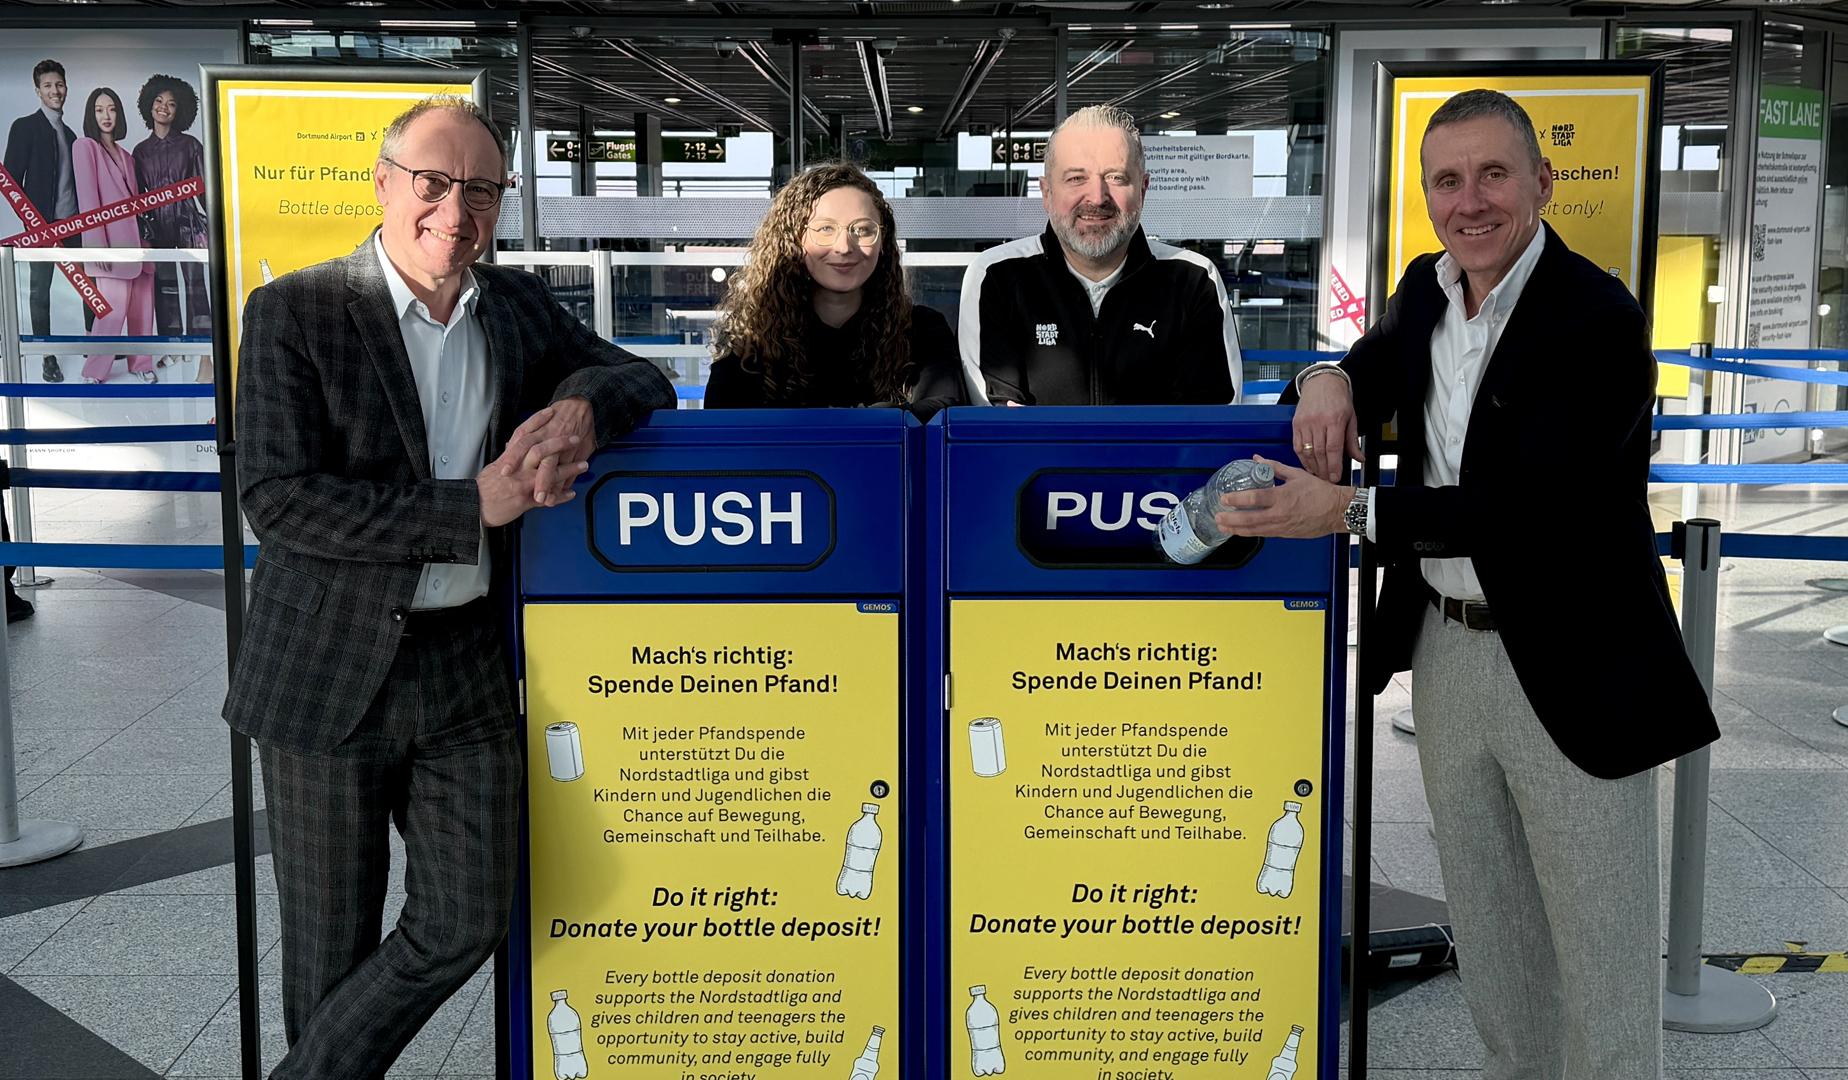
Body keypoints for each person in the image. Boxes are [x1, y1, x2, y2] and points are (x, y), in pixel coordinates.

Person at [1215, 89, 1718, 1080]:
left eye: (1494, 174)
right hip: (1448, 651)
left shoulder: (1598, 319)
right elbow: (1373, 359)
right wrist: (1328, 378)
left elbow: (1526, 508)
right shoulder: (1427, 290)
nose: (1470, 200)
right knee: (1494, 947)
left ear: (1543, 181)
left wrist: (1348, 515)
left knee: (1604, 961)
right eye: (1447, 180)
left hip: (1577, 664)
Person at [223, 96, 673, 1079]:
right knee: (329, 958)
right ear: (383, 183)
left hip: (464, 670)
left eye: (482, 190)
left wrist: (579, 411)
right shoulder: (297, 310)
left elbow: (640, 375)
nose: (455, 211)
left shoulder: (512, 307)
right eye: (433, 183)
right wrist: (475, 507)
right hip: (326, 675)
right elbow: (279, 501)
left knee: (471, 915)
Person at [957, 104, 1240, 406]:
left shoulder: (1194, 281)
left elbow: (1210, 423)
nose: (1097, 197)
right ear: (1047, 192)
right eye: (1076, 178)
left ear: (1143, 190)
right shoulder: (997, 277)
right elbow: (998, 431)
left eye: (1116, 177)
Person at [705, 161, 961, 420]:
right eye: (825, 229)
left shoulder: (921, 329)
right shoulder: (751, 341)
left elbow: (944, 408)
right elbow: (721, 431)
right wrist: (879, 420)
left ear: (883, 242)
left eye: (862, 230)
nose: (844, 247)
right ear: (794, 240)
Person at [3, 59, 82, 384]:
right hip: (41, 226)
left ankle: (98, 348)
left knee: (88, 283)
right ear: (38, 91)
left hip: (75, 223)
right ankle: (46, 356)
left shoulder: (73, 133)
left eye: (59, 84)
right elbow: (10, 181)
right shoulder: (25, 126)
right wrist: (31, 222)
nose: (55, 91)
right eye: (48, 86)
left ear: (66, 87)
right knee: (40, 291)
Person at [131, 73, 211, 382]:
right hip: (158, 226)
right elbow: (138, 195)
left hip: (189, 223)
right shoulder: (140, 151)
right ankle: (173, 345)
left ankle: (203, 348)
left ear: (181, 110)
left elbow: (206, 189)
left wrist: (212, 222)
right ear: (149, 106)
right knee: (163, 287)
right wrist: (144, 230)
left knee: (195, 286)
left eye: (172, 103)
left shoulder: (191, 145)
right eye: (159, 101)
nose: (164, 107)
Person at [73, 86, 156, 384]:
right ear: (91, 115)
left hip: (141, 248)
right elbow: (88, 200)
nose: (106, 115)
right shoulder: (85, 147)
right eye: (99, 109)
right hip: (110, 247)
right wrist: (97, 249)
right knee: (110, 314)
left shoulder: (127, 155)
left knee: (143, 312)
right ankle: (94, 370)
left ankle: (141, 364)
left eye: (111, 109)